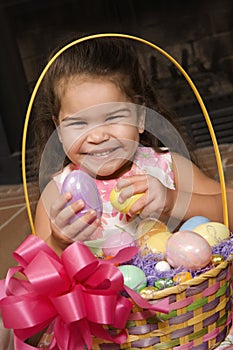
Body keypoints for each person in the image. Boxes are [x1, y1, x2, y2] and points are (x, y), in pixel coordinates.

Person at [31, 36, 233, 257]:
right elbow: (37, 273)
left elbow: (228, 209)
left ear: (140, 118)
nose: (98, 136)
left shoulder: (168, 166)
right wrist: (59, 242)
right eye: (78, 123)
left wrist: (173, 201)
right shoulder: (58, 194)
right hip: (105, 292)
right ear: (59, 130)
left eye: (113, 117)